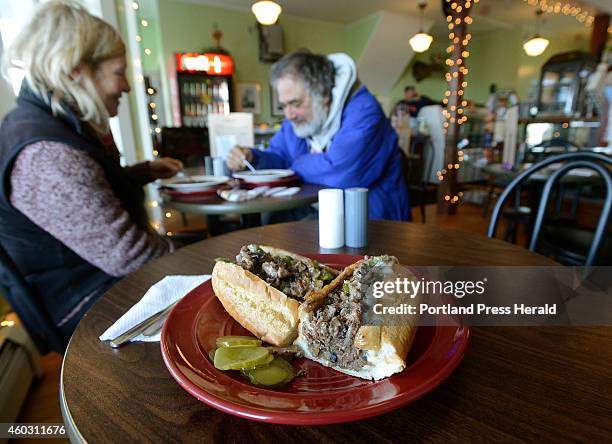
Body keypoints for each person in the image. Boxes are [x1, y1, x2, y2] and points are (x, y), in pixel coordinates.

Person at [0, 1, 183, 340]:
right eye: (118, 72)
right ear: (74, 70)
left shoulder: (49, 125)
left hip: (94, 281)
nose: (127, 86)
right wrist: (199, 262)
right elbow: (129, 256)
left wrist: (144, 171)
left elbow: (88, 195)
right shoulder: (46, 155)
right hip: (87, 301)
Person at [227, 50, 410, 221]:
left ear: (323, 94)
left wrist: (295, 165)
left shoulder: (365, 111)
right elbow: (279, 157)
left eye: (295, 103)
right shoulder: (297, 120)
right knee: (270, 221)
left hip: (370, 220)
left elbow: (343, 176)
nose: (288, 115)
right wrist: (252, 157)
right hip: (321, 212)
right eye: (284, 106)